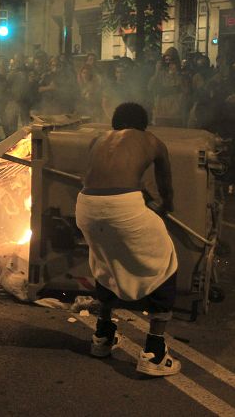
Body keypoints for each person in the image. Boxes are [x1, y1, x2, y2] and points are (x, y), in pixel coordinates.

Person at [75, 102, 181, 377]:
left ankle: (103, 335)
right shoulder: (151, 140)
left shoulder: (98, 140)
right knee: (164, 261)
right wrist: (166, 207)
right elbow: (165, 185)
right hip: (122, 207)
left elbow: (99, 179)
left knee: (106, 261)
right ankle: (155, 353)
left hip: (86, 206)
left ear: (115, 124)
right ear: (143, 125)